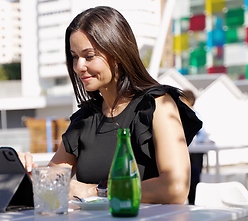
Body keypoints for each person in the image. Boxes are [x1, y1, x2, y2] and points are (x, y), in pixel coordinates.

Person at [21, 6, 202, 204]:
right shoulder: (85, 119)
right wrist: (25, 172)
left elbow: (175, 188)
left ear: (117, 53)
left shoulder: (158, 105)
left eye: (89, 56)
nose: (78, 66)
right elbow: (53, 183)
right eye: (74, 57)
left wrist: (96, 191)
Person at [181, 89, 214, 204]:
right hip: (188, 151)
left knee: (194, 178)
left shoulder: (195, 115)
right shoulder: (186, 114)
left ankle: (193, 201)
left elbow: (202, 134)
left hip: (195, 152)